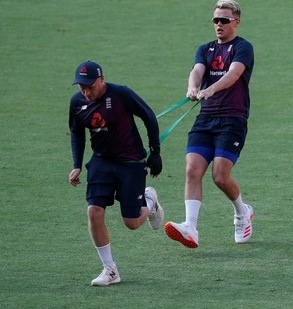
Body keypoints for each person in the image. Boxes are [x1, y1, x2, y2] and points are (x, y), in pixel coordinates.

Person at [164, 0, 255, 248]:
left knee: (220, 176)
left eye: (224, 20)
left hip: (232, 120)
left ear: (236, 22)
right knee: (192, 170)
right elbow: (197, 70)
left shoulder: (243, 47)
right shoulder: (205, 49)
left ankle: (242, 212)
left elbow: (234, 74)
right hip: (205, 119)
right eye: (216, 20)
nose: (219, 24)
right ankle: (191, 227)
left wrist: (211, 89)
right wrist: (193, 87)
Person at [68, 61, 164, 286]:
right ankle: (110, 270)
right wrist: (77, 164)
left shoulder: (121, 94)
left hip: (131, 163)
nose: (85, 91)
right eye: (81, 87)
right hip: (101, 162)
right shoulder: (77, 102)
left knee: (131, 222)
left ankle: (150, 202)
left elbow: (148, 116)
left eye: (90, 86)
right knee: (94, 211)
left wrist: (155, 152)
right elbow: (77, 134)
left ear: (101, 80)